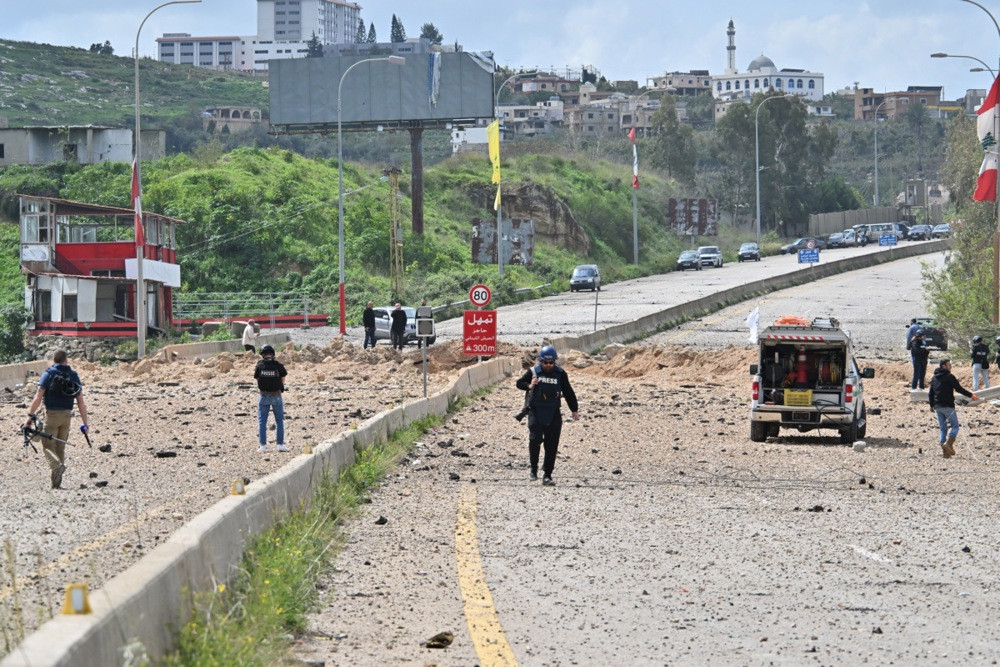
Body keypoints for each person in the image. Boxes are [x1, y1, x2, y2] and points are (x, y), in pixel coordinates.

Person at [23, 349, 89, 489]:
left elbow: (38, 397)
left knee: (47, 445)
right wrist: (85, 423)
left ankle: (56, 466)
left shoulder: (49, 374)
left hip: (52, 415)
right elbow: (81, 402)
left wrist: (29, 417)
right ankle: (56, 483)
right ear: (66, 360)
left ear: (54, 360)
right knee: (60, 447)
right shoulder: (73, 375)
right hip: (67, 415)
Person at [515, 345, 579, 486]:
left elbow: (568, 391)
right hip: (535, 411)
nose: (548, 365)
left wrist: (574, 409)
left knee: (552, 445)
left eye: (551, 363)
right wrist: (530, 385)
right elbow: (519, 384)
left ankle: (547, 475)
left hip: (553, 412)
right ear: (540, 361)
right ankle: (533, 469)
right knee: (535, 440)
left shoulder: (560, 374)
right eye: (546, 363)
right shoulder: (533, 372)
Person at [928, 358, 977, 458]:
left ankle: (945, 451)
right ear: (943, 366)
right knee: (955, 426)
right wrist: (971, 395)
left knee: (943, 429)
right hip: (948, 406)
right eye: (949, 365)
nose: (951, 366)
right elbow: (959, 389)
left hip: (938, 407)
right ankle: (949, 444)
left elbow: (930, 393)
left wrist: (932, 405)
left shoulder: (934, 378)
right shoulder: (949, 376)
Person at [254, 344, 288, 453]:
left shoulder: (259, 366)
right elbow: (283, 378)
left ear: (263, 355)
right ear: (272, 354)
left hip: (263, 396)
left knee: (262, 422)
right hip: (276, 395)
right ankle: (280, 445)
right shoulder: (278, 365)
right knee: (279, 421)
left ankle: (263, 446)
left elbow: (257, 379)